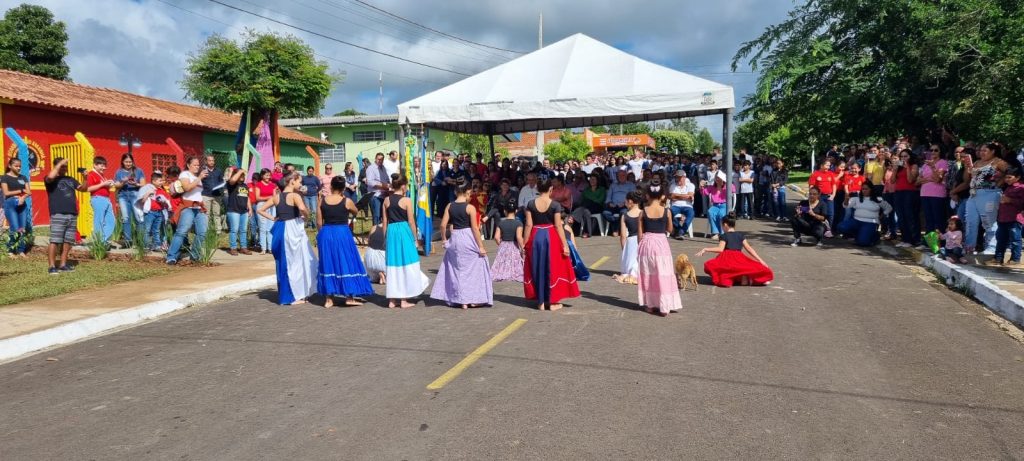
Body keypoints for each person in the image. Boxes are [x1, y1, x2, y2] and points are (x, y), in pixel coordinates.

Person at [257, 172, 317, 305]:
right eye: (299, 182)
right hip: (291, 230)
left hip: (280, 228)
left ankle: (293, 294)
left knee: (284, 263)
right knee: (296, 262)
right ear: (292, 182)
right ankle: (292, 296)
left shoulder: (276, 197)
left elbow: (260, 210)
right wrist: (307, 216)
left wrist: (274, 218)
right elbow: (302, 209)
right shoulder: (295, 195)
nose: (301, 184)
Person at [431, 181, 493, 308]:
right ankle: (472, 298)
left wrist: (444, 240)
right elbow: (475, 229)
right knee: (475, 267)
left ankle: (460, 299)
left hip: (455, 238)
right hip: (467, 237)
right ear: (467, 192)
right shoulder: (470, 208)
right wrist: (481, 246)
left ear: (455, 192)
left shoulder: (449, 206)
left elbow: (443, 225)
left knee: (457, 270)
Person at [523, 179, 580, 311]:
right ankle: (552, 301)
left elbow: (528, 225)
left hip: (536, 236)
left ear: (538, 189)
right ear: (550, 189)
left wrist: (525, 243)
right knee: (553, 268)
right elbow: (558, 225)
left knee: (538, 267)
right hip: (551, 236)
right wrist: (565, 244)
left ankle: (541, 302)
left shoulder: (531, 204)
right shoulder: (555, 205)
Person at [316, 176, 373, 307]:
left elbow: (319, 222)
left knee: (328, 262)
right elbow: (355, 211)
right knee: (346, 261)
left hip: (326, 232)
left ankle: (329, 299)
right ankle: (349, 296)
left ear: (331, 186)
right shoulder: (346, 201)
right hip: (342, 232)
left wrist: (322, 234)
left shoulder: (322, 201)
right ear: (343, 188)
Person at [383, 178, 430, 308]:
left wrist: (385, 238)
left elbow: (385, 221)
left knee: (393, 264)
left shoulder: (386, 200)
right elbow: (411, 221)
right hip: (403, 231)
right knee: (407, 262)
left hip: (391, 232)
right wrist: (415, 238)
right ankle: (403, 299)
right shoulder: (406, 200)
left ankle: (392, 299)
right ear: (403, 186)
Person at [636, 187, 681, 316]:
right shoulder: (667, 211)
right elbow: (670, 229)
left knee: (649, 274)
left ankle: (650, 305)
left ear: (648, 196)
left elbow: (640, 234)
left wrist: (640, 248)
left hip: (647, 242)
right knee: (664, 273)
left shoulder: (642, 212)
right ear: (662, 196)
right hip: (661, 242)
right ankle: (664, 305)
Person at [697, 213, 773, 287]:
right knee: (747, 267)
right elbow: (749, 248)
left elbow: (720, 249)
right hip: (739, 256)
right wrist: (760, 260)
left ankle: (732, 279)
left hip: (727, 257)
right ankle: (750, 278)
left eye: (722, 226)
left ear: (725, 225)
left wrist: (706, 249)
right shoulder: (740, 235)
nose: (722, 228)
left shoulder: (724, 236)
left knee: (714, 266)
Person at [965, 143, 1009, 255]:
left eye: (985, 150)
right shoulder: (976, 162)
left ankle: (991, 247)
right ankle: (969, 247)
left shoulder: (998, 162)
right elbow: (968, 178)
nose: (981, 152)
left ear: (993, 151)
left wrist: (1000, 182)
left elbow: (1011, 172)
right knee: (970, 220)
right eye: (980, 150)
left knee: (989, 221)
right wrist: (968, 169)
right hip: (974, 194)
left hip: (990, 193)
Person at [44, 157, 87, 273]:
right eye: (62, 166)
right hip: (58, 213)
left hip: (72, 214)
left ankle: (63, 264)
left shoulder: (71, 179)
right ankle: (52, 266)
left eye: (65, 166)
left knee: (67, 241)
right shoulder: (50, 179)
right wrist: (59, 164)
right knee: (55, 240)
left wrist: (85, 178)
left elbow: (83, 189)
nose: (64, 168)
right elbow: (50, 177)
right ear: (56, 166)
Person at [166, 157, 210, 265]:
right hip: (188, 207)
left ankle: (194, 255)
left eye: (198, 165)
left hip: (199, 207)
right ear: (188, 165)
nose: (197, 167)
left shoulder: (196, 177)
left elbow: (197, 193)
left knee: (202, 233)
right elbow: (187, 188)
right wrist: (199, 177)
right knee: (181, 232)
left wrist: (198, 178)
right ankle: (171, 256)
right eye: (194, 165)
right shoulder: (184, 174)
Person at [837, 181, 893, 247]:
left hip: (870, 223)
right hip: (857, 221)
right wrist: (846, 200)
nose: (864, 191)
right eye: (863, 189)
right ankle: (858, 235)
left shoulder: (878, 199)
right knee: (841, 227)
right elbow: (845, 206)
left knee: (863, 243)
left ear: (871, 189)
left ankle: (875, 236)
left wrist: (881, 216)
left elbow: (889, 208)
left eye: (866, 189)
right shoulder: (856, 199)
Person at [988, 166, 1022, 266]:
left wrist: (1010, 200)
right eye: (1006, 177)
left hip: (1014, 219)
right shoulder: (1007, 187)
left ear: (1018, 177)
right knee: (1000, 238)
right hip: (1003, 218)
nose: (1007, 179)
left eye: (1009, 177)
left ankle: (1015, 259)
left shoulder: (1021, 188)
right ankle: (998, 258)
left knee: (1015, 239)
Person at [890, 149, 922, 248]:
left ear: (910, 157)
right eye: (902, 157)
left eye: (906, 156)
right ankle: (905, 239)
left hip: (910, 193)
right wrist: (895, 169)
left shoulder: (914, 166)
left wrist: (907, 166)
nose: (903, 158)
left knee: (910, 216)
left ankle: (915, 239)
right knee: (901, 216)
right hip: (899, 192)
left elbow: (910, 180)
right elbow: (892, 181)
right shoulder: (899, 168)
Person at [2, 157, 32, 257]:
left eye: (20, 166)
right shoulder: (4, 178)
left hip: (22, 204)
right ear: (10, 166)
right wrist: (20, 191)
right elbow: (6, 193)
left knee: (22, 228)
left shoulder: (23, 178)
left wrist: (22, 197)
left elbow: (29, 192)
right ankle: (11, 250)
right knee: (15, 228)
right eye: (16, 166)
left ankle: (21, 250)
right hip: (10, 204)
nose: (18, 168)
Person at [135, 170, 171, 252]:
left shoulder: (161, 190)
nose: (162, 182)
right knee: (147, 229)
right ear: (154, 181)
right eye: (160, 181)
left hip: (159, 213)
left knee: (156, 230)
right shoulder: (148, 188)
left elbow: (166, 202)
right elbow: (142, 201)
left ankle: (157, 245)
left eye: (162, 180)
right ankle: (146, 245)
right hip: (150, 212)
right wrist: (147, 194)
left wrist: (165, 202)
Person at [114, 153, 146, 245]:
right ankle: (127, 241)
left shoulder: (138, 171)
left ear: (133, 162)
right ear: (122, 162)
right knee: (125, 218)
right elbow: (116, 185)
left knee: (138, 217)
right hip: (123, 195)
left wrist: (136, 184)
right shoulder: (119, 172)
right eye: (126, 162)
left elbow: (143, 184)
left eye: (130, 162)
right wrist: (123, 182)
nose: (128, 163)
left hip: (135, 194)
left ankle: (141, 241)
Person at [491, 198, 525, 283]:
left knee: (501, 262)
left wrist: (501, 244)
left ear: (505, 211)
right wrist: (523, 248)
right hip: (514, 246)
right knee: (515, 262)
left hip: (504, 245)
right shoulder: (518, 223)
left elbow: (496, 237)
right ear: (516, 210)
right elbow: (519, 237)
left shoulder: (501, 223)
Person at [918, 145, 948, 236]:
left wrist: (933, 167)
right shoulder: (925, 164)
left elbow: (937, 179)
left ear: (940, 152)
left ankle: (940, 243)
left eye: (936, 150)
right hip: (924, 194)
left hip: (937, 195)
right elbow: (917, 181)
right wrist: (928, 179)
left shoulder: (943, 162)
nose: (933, 152)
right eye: (931, 150)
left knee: (938, 219)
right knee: (928, 219)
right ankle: (930, 242)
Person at [85, 156, 116, 246]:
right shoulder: (91, 174)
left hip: (106, 199)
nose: (104, 168)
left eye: (104, 165)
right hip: (97, 198)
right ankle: (99, 242)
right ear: (95, 165)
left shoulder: (101, 175)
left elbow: (102, 186)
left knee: (111, 221)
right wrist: (103, 184)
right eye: (101, 165)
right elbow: (89, 188)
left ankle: (103, 240)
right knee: (99, 220)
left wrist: (109, 185)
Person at [614, 191, 643, 284]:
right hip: (642, 240)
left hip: (631, 243)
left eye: (626, 201)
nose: (625, 203)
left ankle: (631, 274)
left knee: (629, 265)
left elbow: (623, 236)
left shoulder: (625, 216)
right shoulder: (644, 213)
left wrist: (624, 249)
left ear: (630, 201)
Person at [224, 167, 251, 255]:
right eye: (240, 174)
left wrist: (249, 208)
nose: (242, 176)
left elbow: (247, 198)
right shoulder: (231, 184)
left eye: (243, 174)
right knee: (234, 230)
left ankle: (243, 247)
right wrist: (240, 171)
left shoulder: (245, 185)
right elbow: (232, 180)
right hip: (233, 210)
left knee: (243, 230)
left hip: (244, 211)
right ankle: (233, 248)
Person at [808, 159, 837, 228]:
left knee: (830, 213)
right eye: (827, 165)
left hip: (829, 196)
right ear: (821, 165)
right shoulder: (815, 174)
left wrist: (833, 195)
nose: (829, 167)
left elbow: (834, 185)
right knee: (819, 213)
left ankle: (829, 229)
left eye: (829, 165)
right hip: (819, 197)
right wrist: (812, 196)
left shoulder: (831, 174)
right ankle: (818, 227)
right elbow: (811, 186)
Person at [253, 169, 277, 254]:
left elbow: (275, 197)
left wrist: (271, 199)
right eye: (266, 175)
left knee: (270, 227)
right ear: (262, 176)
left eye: (269, 175)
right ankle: (263, 248)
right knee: (262, 227)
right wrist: (269, 197)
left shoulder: (273, 185)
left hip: (271, 206)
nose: (268, 177)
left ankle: (270, 248)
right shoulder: (258, 185)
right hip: (261, 206)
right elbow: (257, 198)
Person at [702, 172, 731, 240]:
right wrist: (702, 186)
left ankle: (722, 233)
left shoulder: (727, 186)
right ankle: (715, 232)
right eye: (716, 178)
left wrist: (726, 183)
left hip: (724, 205)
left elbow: (733, 189)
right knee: (710, 212)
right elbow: (704, 192)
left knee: (721, 214)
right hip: (715, 205)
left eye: (719, 178)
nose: (717, 179)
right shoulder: (712, 187)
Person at [366, 153, 392, 225]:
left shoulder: (383, 168)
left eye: (381, 159)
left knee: (383, 216)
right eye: (378, 159)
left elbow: (386, 179)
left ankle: (381, 232)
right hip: (375, 196)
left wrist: (388, 185)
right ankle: (376, 234)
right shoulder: (371, 168)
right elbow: (370, 182)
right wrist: (383, 185)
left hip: (384, 195)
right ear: (375, 158)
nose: (380, 161)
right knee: (376, 216)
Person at [668, 170, 695, 239]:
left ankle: (681, 232)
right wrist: (685, 196)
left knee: (691, 214)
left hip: (687, 205)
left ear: (684, 177)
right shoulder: (673, 186)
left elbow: (690, 196)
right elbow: (671, 197)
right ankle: (680, 230)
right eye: (676, 177)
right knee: (669, 213)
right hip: (675, 205)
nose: (677, 179)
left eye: (679, 177)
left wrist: (677, 196)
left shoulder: (691, 185)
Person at [563, 214, 590, 282]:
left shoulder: (553, 228)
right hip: (569, 248)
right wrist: (575, 251)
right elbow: (573, 243)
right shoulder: (568, 227)